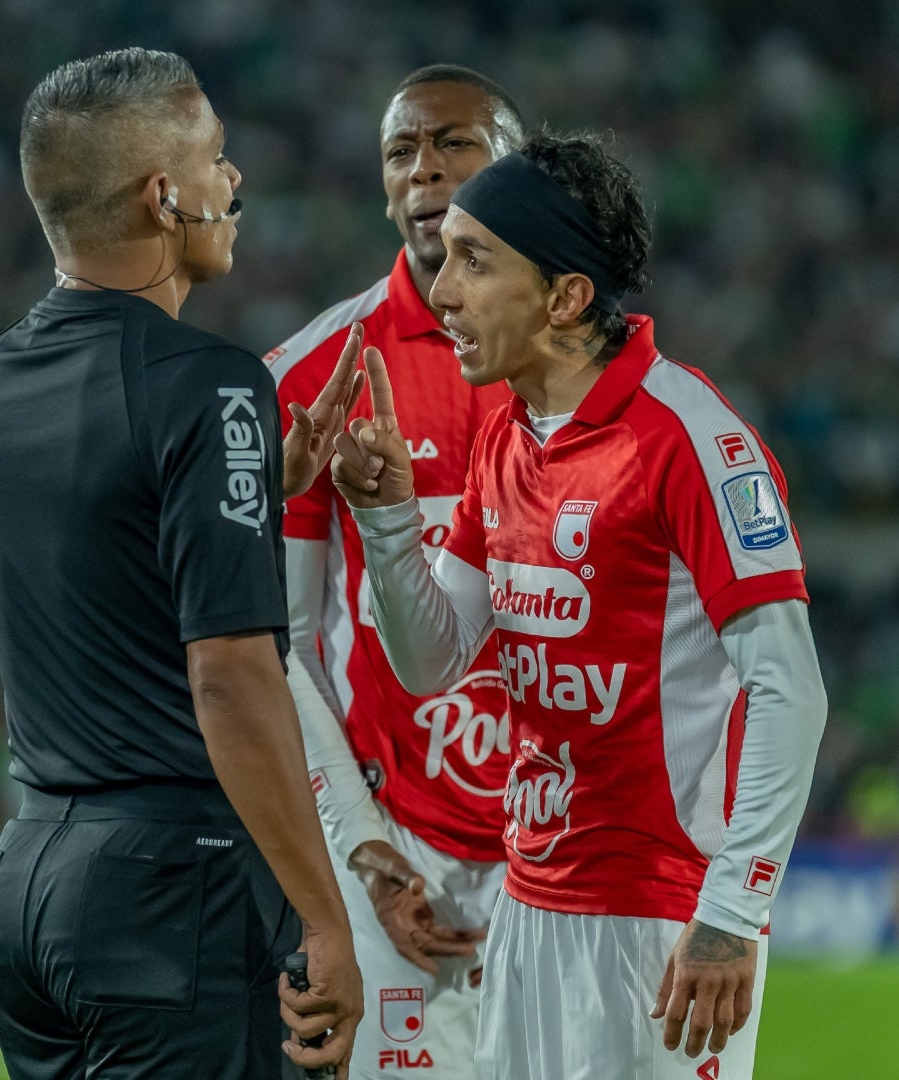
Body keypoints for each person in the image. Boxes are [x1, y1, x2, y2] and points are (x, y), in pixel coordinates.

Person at [329, 133, 830, 1078]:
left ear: (565, 299)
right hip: (530, 905)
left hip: (661, 922)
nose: (443, 291)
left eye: (476, 261)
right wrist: (391, 523)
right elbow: (435, 664)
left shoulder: (690, 442)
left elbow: (790, 690)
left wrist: (732, 914)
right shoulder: (506, 443)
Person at [0, 47, 364, 1079]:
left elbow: (86, 580)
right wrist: (326, 921)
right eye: (217, 159)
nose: (233, 184)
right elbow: (228, 676)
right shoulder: (212, 384)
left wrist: (249, 501)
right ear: (163, 195)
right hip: (174, 889)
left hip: (30, 877)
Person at [267, 64, 523, 1079]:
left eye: (455, 144)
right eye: (401, 151)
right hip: (396, 853)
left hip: (565, 859)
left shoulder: (584, 376)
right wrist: (365, 851)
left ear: (519, 169)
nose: (426, 169)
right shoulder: (315, 375)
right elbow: (279, 646)